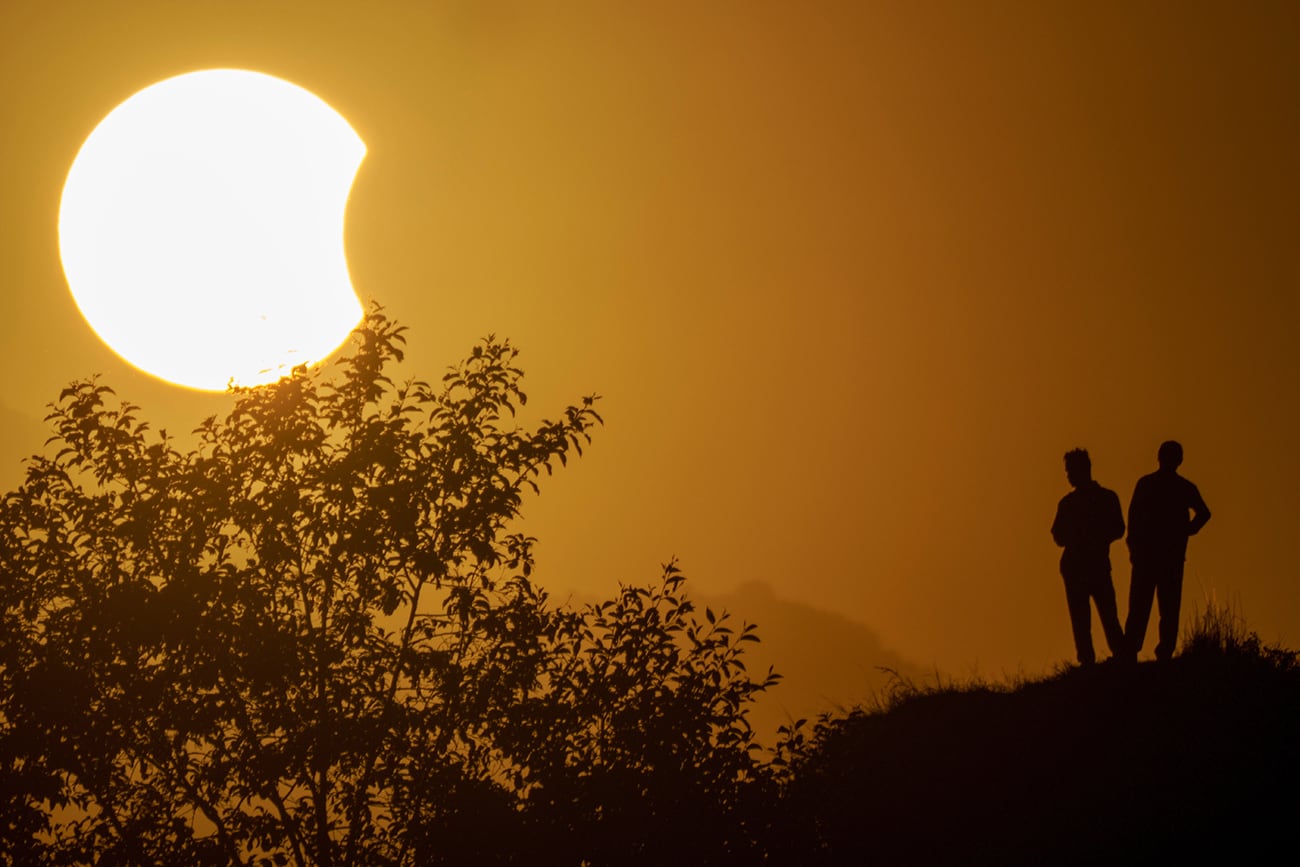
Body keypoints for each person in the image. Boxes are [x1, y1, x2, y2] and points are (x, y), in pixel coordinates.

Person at [1124, 440, 1211, 661]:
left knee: (1158, 606)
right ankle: (1144, 650)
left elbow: (1204, 513)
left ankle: (1152, 650)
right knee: (1151, 605)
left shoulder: (1161, 485)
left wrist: (1188, 530)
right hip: (1154, 555)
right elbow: (1133, 519)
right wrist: (1187, 530)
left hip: (1161, 556)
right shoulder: (1173, 486)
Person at [1051, 448, 1127, 665]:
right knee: (1087, 617)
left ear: (1082, 470)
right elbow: (1057, 535)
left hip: (1091, 565)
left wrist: (1087, 537)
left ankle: (1115, 657)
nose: (1068, 475)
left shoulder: (1093, 500)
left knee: (1103, 614)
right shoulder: (1097, 499)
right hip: (1081, 566)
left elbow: (1118, 529)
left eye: (1070, 471)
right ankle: (1092, 661)